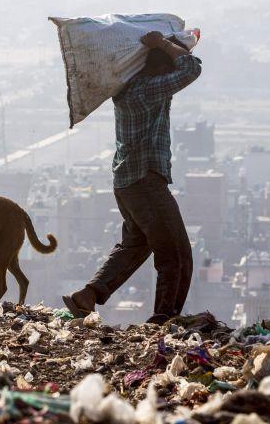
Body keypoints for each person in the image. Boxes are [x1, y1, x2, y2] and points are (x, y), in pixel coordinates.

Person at [63, 30, 202, 324]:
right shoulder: (146, 91)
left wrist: (175, 43)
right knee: (176, 254)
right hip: (145, 182)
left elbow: (184, 63)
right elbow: (191, 68)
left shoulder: (131, 88)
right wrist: (163, 44)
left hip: (128, 182)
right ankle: (164, 319)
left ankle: (87, 296)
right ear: (161, 66)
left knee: (135, 245)